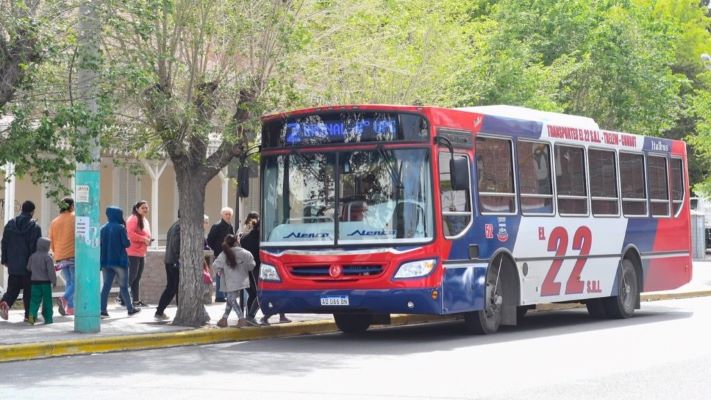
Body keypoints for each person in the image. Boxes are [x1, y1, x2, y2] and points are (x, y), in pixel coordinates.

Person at [0, 200, 42, 322]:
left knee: (13, 289)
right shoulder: (34, 227)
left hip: (13, 264)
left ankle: (5, 302)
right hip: (29, 266)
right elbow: (36, 247)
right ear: (32, 211)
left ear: (22, 210)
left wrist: (4, 260)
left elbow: (4, 243)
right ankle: (29, 315)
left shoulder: (10, 224)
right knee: (29, 291)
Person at [100, 206, 141, 318]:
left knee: (106, 286)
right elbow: (126, 244)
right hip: (120, 261)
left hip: (106, 261)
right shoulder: (121, 228)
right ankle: (130, 308)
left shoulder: (102, 228)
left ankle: (102, 310)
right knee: (123, 286)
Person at [213, 234, 256, 328]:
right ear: (236, 242)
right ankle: (224, 319)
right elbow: (252, 265)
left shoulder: (223, 254)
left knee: (231, 299)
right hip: (242, 280)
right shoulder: (245, 253)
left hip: (230, 281)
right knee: (230, 299)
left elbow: (215, 266)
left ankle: (241, 319)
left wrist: (220, 272)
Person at [48, 197, 75, 316]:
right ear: (71, 206)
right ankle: (64, 298)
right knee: (76, 282)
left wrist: (56, 252)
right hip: (73, 254)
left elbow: (51, 241)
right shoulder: (75, 217)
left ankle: (70, 308)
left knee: (69, 282)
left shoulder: (55, 221)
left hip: (60, 255)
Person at [126, 200, 152, 307]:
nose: (145, 209)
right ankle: (121, 297)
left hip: (141, 252)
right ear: (137, 209)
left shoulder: (144, 220)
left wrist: (148, 240)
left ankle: (136, 300)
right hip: (133, 252)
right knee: (132, 276)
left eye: (146, 207)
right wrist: (143, 239)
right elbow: (130, 234)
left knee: (137, 277)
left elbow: (145, 233)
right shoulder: (133, 218)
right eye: (143, 208)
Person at [155, 215, 180, 321]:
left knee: (173, 287)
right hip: (175, 261)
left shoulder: (175, 225)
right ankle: (160, 311)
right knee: (174, 288)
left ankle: (160, 311)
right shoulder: (180, 226)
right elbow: (176, 244)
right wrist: (179, 257)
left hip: (170, 260)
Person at [26, 237, 56, 325]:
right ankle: (48, 319)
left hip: (34, 283)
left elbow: (28, 268)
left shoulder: (32, 256)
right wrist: (53, 281)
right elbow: (51, 271)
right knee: (47, 301)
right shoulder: (48, 257)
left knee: (34, 301)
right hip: (45, 283)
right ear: (47, 246)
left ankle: (31, 318)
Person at [207, 207, 234, 302]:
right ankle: (219, 296)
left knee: (226, 275)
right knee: (219, 275)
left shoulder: (230, 226)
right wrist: (216, 250)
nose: (228, 216)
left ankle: (224, 294)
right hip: (219, 254)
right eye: (226, 214)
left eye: (229, 214)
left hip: (229, 254)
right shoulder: (216, 226)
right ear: (222, 215)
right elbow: (209, 240)